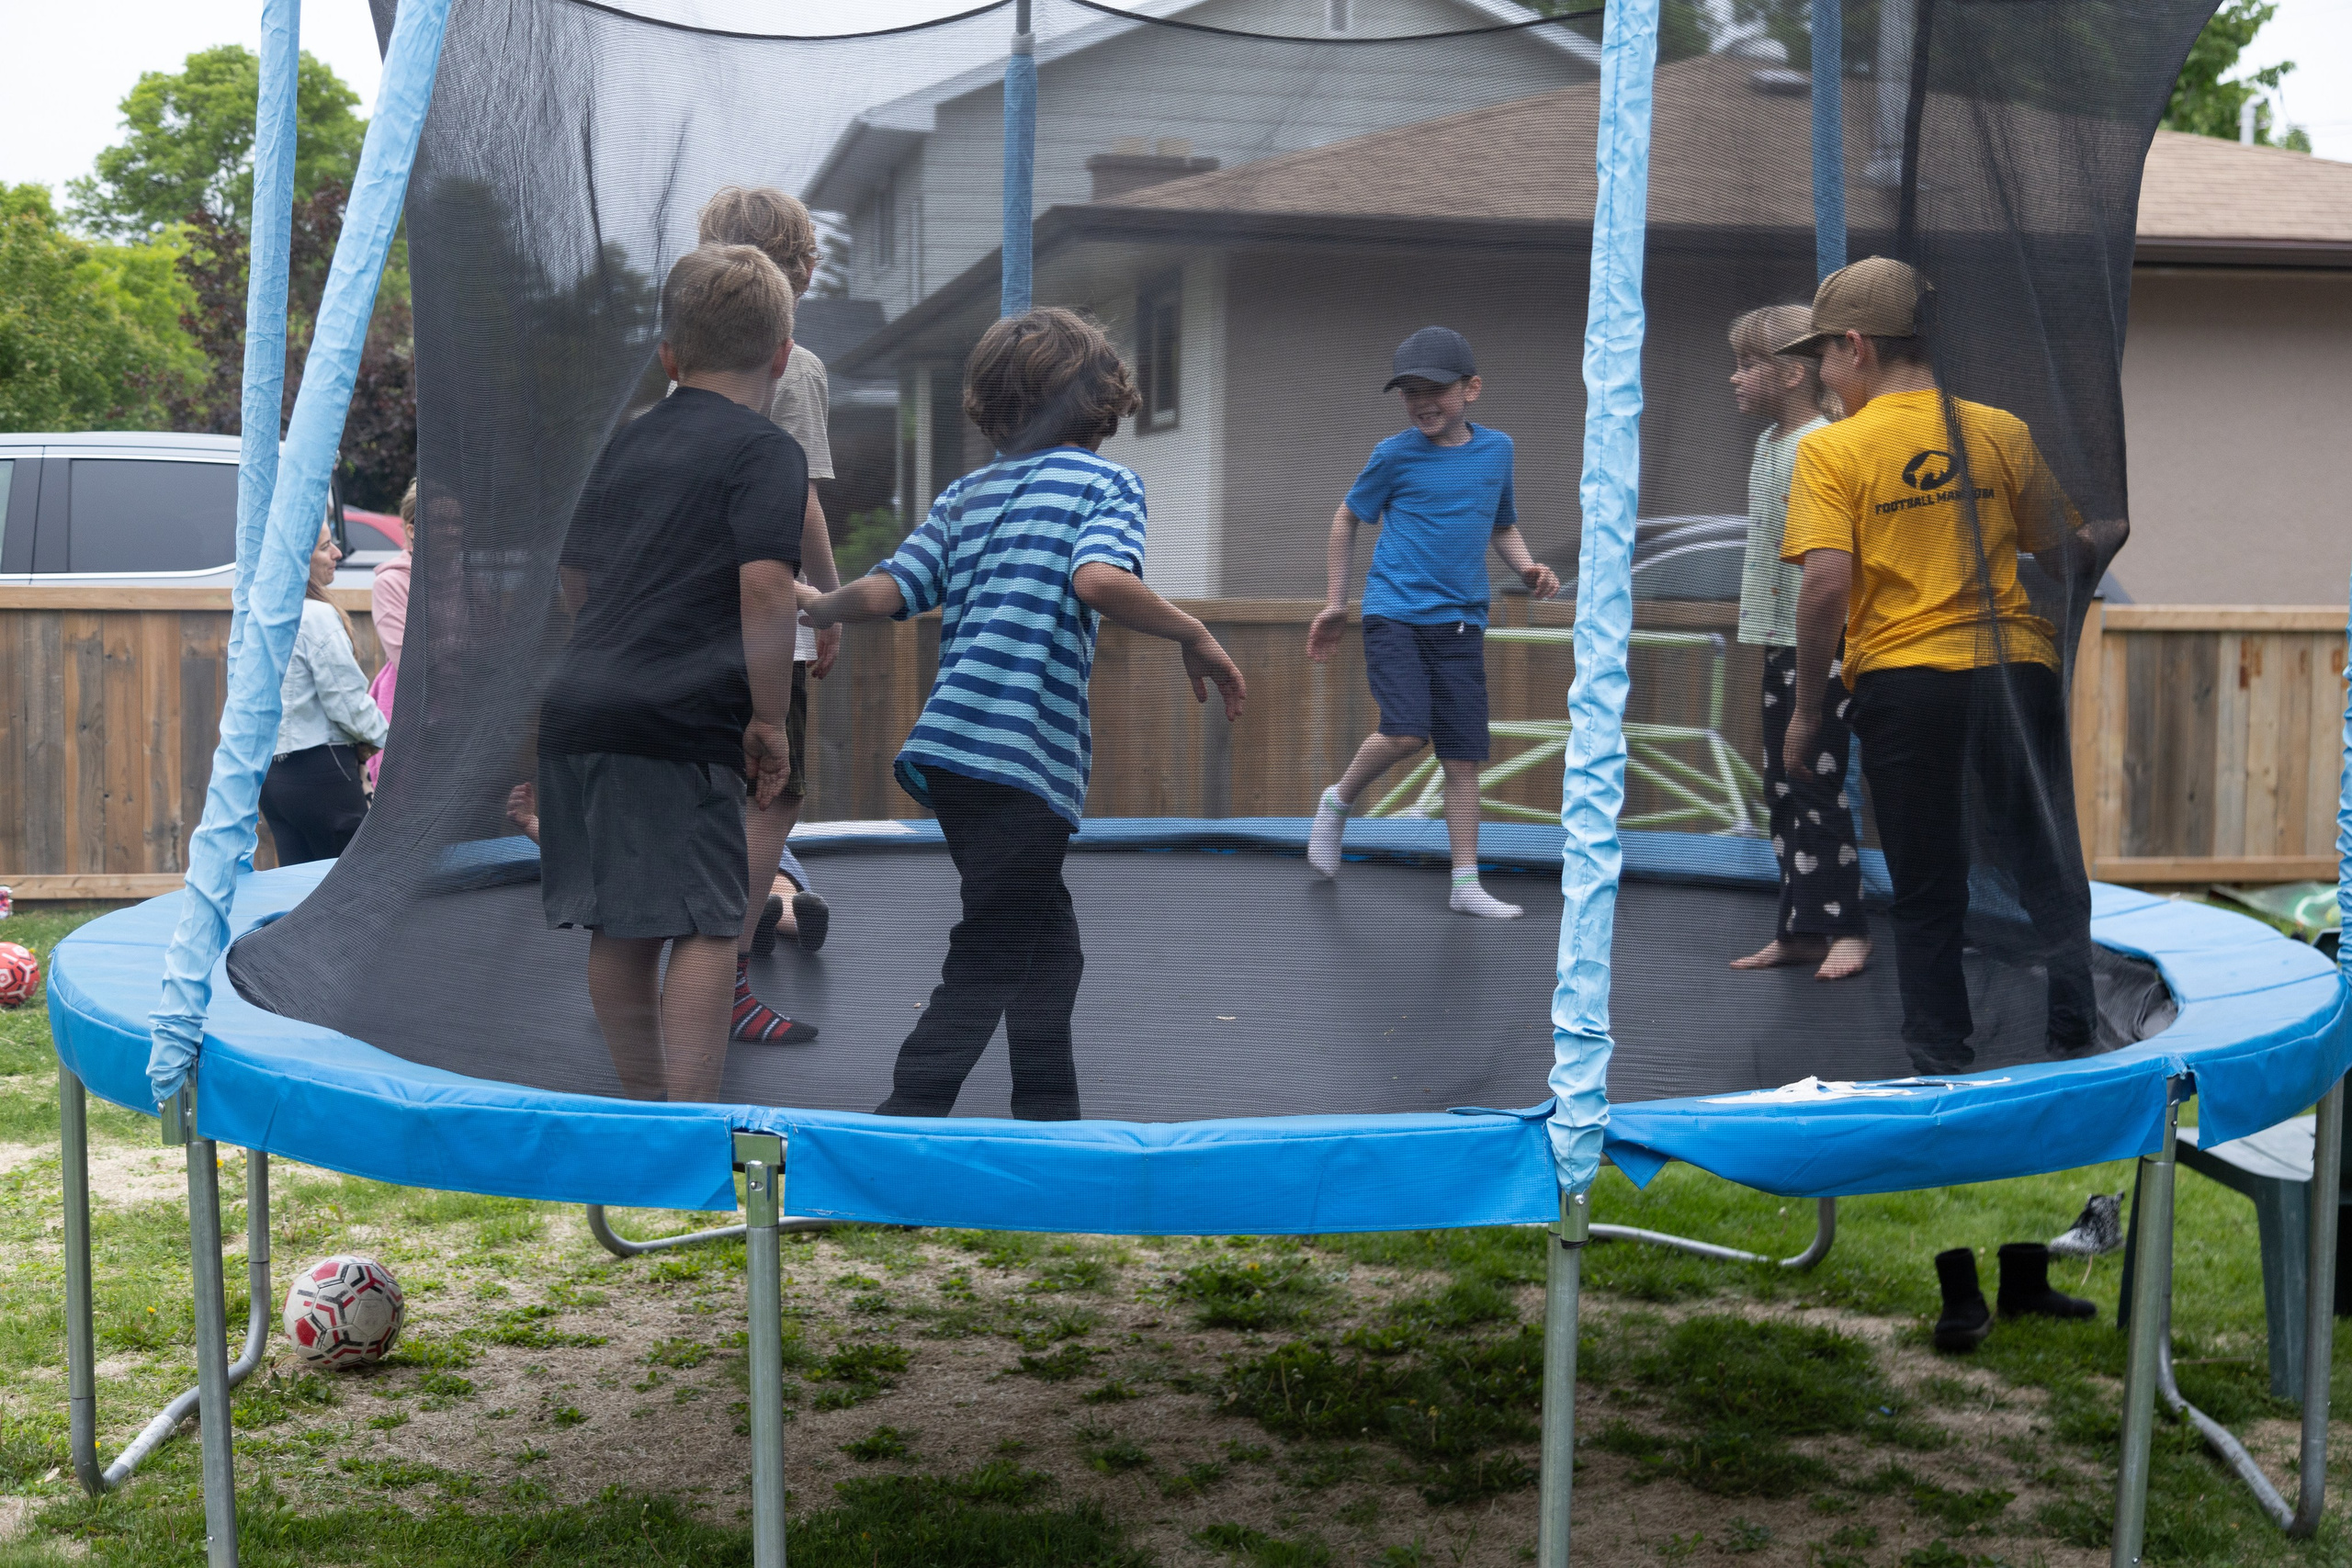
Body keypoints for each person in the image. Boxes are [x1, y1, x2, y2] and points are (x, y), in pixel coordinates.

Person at [798, 307, 1247, 1121]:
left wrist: (819, 605)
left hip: (954, 757)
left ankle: (1047, 1116)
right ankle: (902, 1124)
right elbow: (1098, 581)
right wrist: (1194, 630)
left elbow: (890, 589)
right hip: (1022, 760)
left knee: (1050, 950)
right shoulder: (1105, 484)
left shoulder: (967, 494)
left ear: (992, 403)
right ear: (1101, 400)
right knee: (991, 951)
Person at [1776, 257, 2122, 1073]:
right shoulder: (2000, 431)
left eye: (1823, 354)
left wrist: (1806, 711)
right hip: (2013, 673)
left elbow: (1827, 583)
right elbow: (2062, 553)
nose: (1823, 373)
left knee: (1930, 884)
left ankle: (1941, 1053)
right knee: (2042, 858)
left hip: (1909, 684)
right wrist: (2103, 536)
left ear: (1856, 347)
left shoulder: (1835, 451)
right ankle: (2076, 1030)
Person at [537, 243, 806, 1102]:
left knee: (621, 924)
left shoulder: (617, 447)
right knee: (710, 920)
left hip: (582, 706)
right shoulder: (763, 452)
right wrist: (770, 719)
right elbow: (765, 588)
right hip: (678, 717)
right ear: (782, 355)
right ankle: (689, 1127)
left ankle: (644, 1113)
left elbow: (574, 581)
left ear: (668, 355)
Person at [1304, 326, 1558, 918]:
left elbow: (1501, 523)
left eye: (1435, 390)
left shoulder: (1498, 450)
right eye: (1409, 391)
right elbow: (1347, 518)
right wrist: (1336, 601)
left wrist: (1526, 568)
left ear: (1471, 389)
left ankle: (1466, 885)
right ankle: (1338, 801)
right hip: (1395, 613)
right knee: (1406, 730)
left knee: (1463, 757)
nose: (1421, 402)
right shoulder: (1393, 455)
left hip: (1463, 623)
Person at [695, 186, 842, 976]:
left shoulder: (684, 362)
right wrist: (832, 600)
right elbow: (800, 499)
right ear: (805, 269)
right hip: (765, 609)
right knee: (774, 790)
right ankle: (730, 959)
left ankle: (712, 945)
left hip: (688, 607)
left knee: (715, 787)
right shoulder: (795, 365)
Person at [1723, 304, 1870, 982]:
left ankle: (1847, 928)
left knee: (1817, 781)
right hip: (1778, 640)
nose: (1735, 378)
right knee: (1781, 783)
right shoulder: (1768, 445)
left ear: (1788, 375)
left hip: (1821, 647)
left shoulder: (1821, 441)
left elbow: (1828, 566)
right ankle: (1801, 927)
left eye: (1747, 365)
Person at [261, 516, 389, 863]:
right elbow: (347, 705)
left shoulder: (262, 616)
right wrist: (392, 741)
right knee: (352, 893)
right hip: (320, 773)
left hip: (273, 779)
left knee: (297, 896)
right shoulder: (315, 616)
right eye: (324, 547)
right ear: (300, 560)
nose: (337, 553)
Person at [363, 479, 417, 792]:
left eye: (457, 521)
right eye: (443, 521)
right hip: (409, 714)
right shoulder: (392, 583)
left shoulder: (468, 579)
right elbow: (407, 656)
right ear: (412, 529)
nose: (453, 530)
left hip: (466, 721)